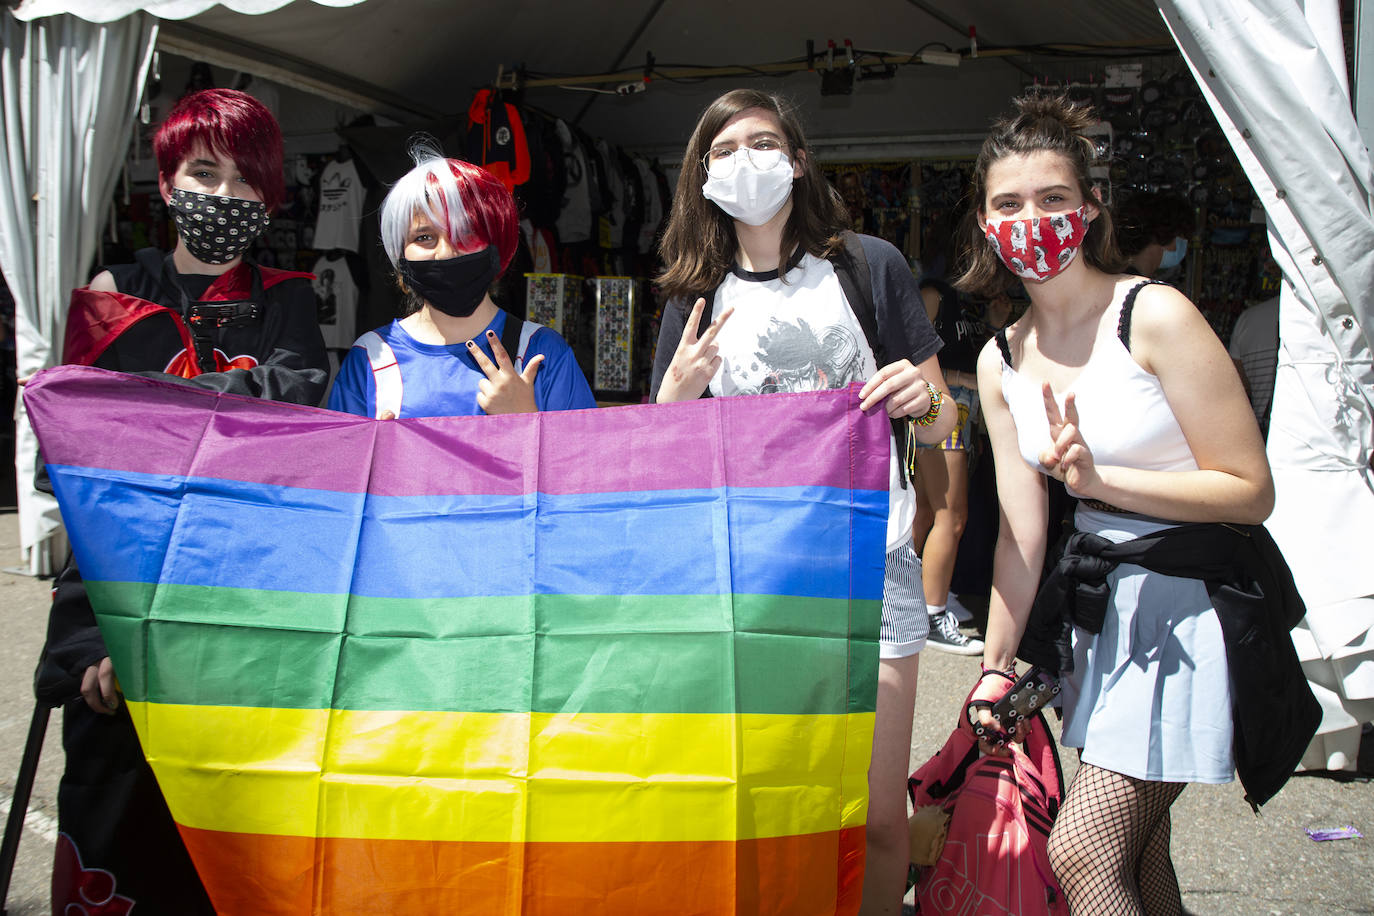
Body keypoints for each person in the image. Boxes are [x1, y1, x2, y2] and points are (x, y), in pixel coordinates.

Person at [960, 95, 1276, 915]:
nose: (1031, 218)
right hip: (1099, 624)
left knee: (1085, 849)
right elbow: (1020, 539)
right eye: (1009, 203)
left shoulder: (1156, 315)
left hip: (1189, 608)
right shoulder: (1000, 360)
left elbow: (1251, 490)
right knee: (1142, 859)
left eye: (1052, 198)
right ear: (986, 223)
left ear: (1090, 208)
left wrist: (1103, 483)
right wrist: (994, 668)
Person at [649, 88, 955, 916]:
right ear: (701, 172)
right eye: (725, 148)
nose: (746, 160)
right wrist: (675, 395)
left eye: (765, 141)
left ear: (799, 157)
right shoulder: (694, 296)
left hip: (873, 564)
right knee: (773, 799)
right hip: (758, 578)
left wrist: (923, 405)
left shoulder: (867, 266)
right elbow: (663, 459)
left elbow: (943, 415)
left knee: (879, 812)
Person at [38, 87, 329, 914]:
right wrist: (97, 635)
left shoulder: (290, 297)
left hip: (246, 606)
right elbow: (84, 470)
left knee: (239, 849)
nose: (225, 197)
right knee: (118, 833)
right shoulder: (112, 294)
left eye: (247, 182)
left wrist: (149, 416)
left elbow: (295, 425)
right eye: (205, 172)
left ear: (270, 199)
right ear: (166, 181)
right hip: (122, 606)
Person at [328, 149, 595, 419]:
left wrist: (526, 418)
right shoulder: (371, 358)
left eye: (464, 233)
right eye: (424, 237)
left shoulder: (542, 353)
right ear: (400, 255)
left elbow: (581, 457)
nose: (446, 252)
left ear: (496, 245)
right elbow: (341, 458)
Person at [911, 277, 986, 653]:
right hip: (945, 404)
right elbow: (914, 353)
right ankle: (931, 614)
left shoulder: (967, 298)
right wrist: (960, 380)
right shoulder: (934, 293)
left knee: (927, 511)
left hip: (959, 405)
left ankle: (910, 601)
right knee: (950, 516)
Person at [1113, 190, 1196, 278]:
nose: (1185, 248)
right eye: (1182, 237)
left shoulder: (1116, 276)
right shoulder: (1145, 288)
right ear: (1163, 234)